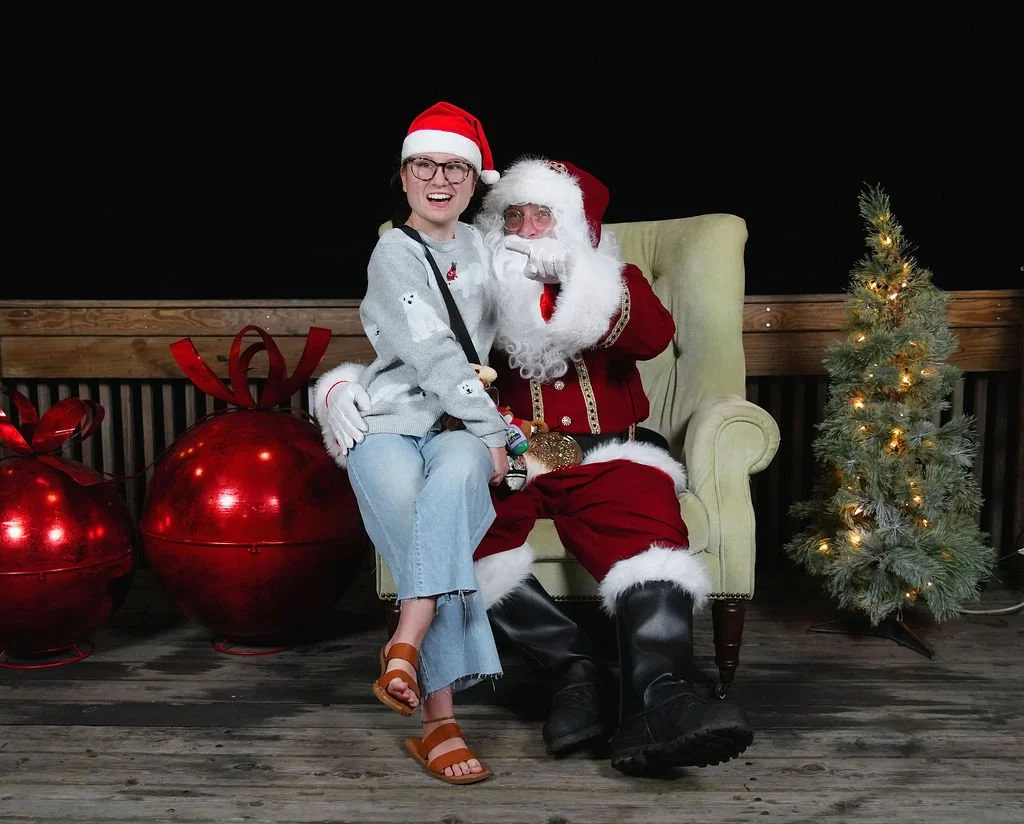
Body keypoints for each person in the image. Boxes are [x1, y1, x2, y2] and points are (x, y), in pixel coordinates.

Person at [321, 156, 753, 777]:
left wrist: (582, 278)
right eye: (513, 215)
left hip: (611, 453)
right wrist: (340, 388)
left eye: (541, 214)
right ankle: (575, 674)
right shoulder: (471, 282)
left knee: (648, 535)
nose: (525, 227)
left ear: (573, 223)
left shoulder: (612, 278)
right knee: (461, 539)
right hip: (512, 458)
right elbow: (411, 349)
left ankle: (660, 701)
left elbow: (655, 337)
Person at [312, 101, 508, 786]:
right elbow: (432, 354)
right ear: (402, 176)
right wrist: (499, 435)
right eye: (424, 163)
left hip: (455, 430)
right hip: (388, 423)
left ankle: (405, 641)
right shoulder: (394, 251)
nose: (439, 177)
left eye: (455, 165)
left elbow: (550, 301)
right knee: (411, 509)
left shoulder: (488, 248)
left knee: (453, 486)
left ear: (475, 178)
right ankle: (441, 721)